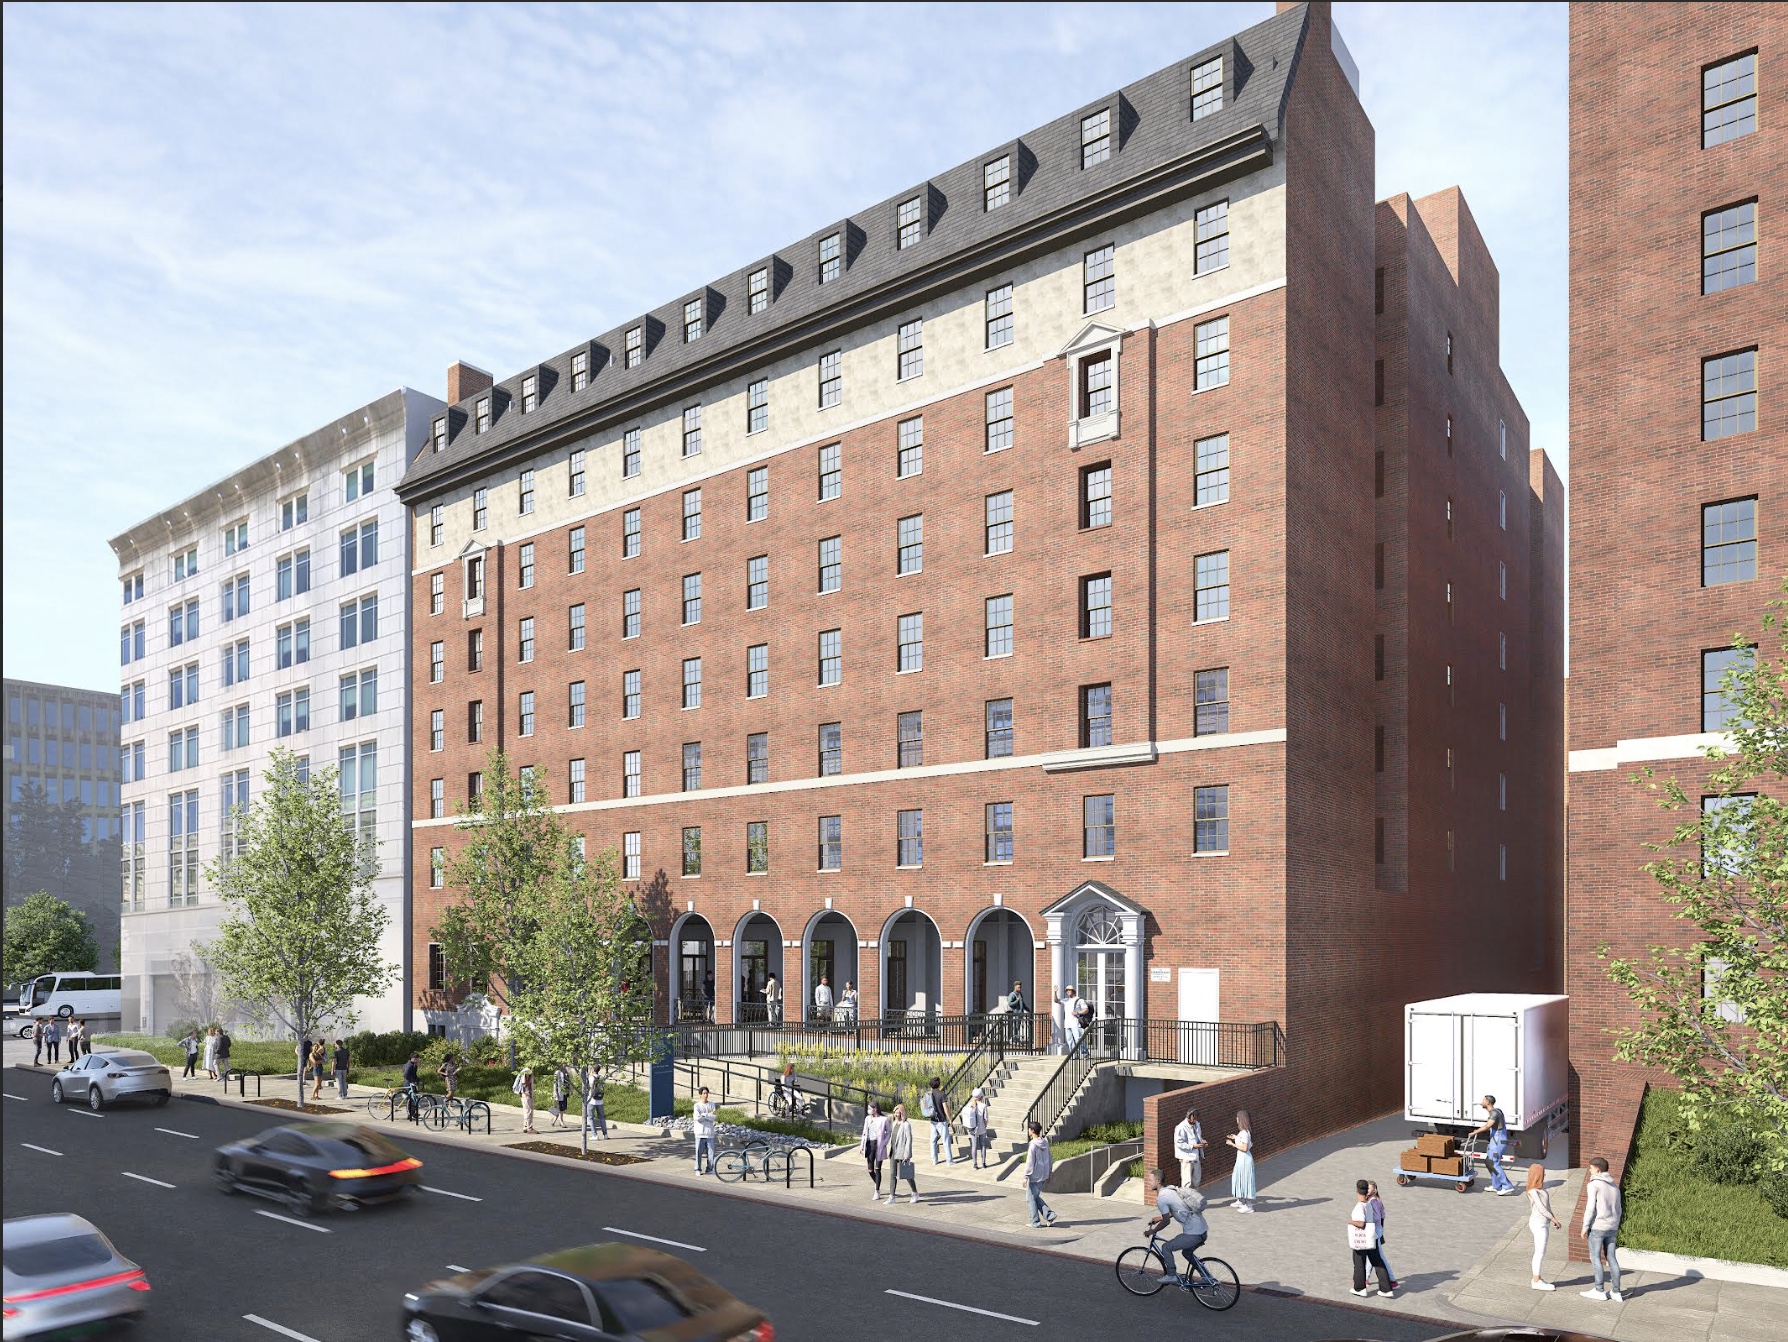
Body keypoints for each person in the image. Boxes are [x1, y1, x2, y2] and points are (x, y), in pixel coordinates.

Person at [1147, 1170, 1209, 1285]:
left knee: (1166, 1247)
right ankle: (1207, 1277)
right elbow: (1177, 1209)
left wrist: (1152, 1231)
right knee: (1187, 1253)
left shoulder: (1161, 1198)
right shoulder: (1171, 1189)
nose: (1148, 1183)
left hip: (1193, 1234)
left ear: (1158, 1181)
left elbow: (1166, 1222)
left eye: (1150, 1180)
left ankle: (1171, 1275)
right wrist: (1160, 1218)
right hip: (1203, 1230)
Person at [1581, 1155, 1624, 1302]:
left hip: (1598, 1227)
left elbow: (1590, 1208)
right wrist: (1615, 1225)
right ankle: (1616, 1291)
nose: (1589, 1170)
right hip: (1612, 1227)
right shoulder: (1614, 1187)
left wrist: (1585, 1226)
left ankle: (1599, 1290)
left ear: (1598, 1169)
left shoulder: (1594, 1185)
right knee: (1611, 1258)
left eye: (1591, 1168)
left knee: (1595, 1258)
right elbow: (1619, 1209)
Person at [1349, 1178, 1394, 1297]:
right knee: (1377, 1261)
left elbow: (1361, 1223)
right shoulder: (1369, 1204)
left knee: (1359, 1262)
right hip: (1371, 1236)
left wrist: (1351, 1222)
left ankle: (1359, 1288)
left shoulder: (1360, 1206)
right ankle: (1386, 1289)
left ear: (1357, 1191)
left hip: (1361, 1238)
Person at [1470, 1094, 1517, 1194]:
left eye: (1483, 1100)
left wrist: (1475, 1132)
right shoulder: (1495, 1111)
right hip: (1494, 1141)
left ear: (1488, 1102)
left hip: (1498, 1142)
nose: (1481, 1102)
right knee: (1489, 1162)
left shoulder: (1494, 1113)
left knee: (1494, 1163)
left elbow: (1487, 1126)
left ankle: (1507, 1186)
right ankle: (1496, 1186)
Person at [1526, 1163, 1562, 1290]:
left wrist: (1553, 1218)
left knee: (1541, 1251)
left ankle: (1538, 1278)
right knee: (1539, 1252)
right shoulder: (1533, 1192)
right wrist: (1554, 1219)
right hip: (1539, 1224)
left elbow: (1547, 1207)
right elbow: (1541, 1208)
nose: (1545, 1175)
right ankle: (1536, 1280)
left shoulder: (1540, 1190)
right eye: (1543, 1172)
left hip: (1543, 1223)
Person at [1023, 1119, 1057, 1228]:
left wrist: (1026, 1176)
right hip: (1043, 1175)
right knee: (1035, 1197)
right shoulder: (1045, 1143)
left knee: (1030, 1198)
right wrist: (1049, 1173)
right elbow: (1050, 1159)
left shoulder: (1033, 1145)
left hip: (1034, 1176)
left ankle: (1035, 1222)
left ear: (1032, 1131)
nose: (1028, 1131)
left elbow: (1030, 1162)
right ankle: (1050, 1215)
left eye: (1029, 1129)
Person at [1366, 1180, 1399, 1290]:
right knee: (1372, 1255)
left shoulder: (1373, 1202)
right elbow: (1383, 1215)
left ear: (1375, 1190)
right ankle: (1365, 1278)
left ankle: (1392, 1280)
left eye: (1369, 1188)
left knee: (1379, 1256)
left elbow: (1376, 1218)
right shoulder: (1377, 1201)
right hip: (1377, 1229)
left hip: (1374, 1230)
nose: (1367, 1190)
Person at [888, 1103, 920, 1204]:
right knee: (892, 1174)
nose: (896, 1115)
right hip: (894, 1152)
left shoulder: (906, 1125)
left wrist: (907, 1154)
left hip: (902, 1153)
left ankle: (915, 1193)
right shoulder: (893, 1123)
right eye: (895, 1113)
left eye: (898, 1113)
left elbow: (909, 1140)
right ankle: (892, 1196)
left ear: (902, 1113)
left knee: (906, 1174)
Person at [861, 1100, 891, 1201]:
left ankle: (877, 1190)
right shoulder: (867, 1119)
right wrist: (862, 1146)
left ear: (875, 1109)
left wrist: (884, 1142)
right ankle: (877, 1183)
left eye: (870, 1108)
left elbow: (888, 1132)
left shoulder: (883, 1119)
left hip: (879, 1145)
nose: (869, 1110)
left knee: (878, 1168)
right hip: (869, 1145)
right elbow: (864, 1132)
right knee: (870, 1170)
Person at [1227, 1110, 1256, 1212]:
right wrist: (1235, 1137)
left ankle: (1248, 1206)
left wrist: (1232, 1144)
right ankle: (1241, 1200)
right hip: (1241, 1159)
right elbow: (1243, 1140)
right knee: (1238, 1178)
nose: (1236, 1119)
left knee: (1245, 1180)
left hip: (1245, 1160)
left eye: (1237, 1117)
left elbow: (1244, 1148)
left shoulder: (1245, 1133)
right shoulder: (1243, 1132)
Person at [923, 1076, 954, 1164]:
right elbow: (945, 1108)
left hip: (933, 1120)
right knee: (945, 1140)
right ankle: (949, 1160)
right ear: (939, 1084)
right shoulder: (942, 1094)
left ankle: (934, 1160)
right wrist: (950, 1119)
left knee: (933, 1141)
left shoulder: (929, 1094)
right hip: (941, 1120)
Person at [1174, 1107, 1207, 1189]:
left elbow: (1198, 1137)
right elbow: (1179, 1143)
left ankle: (1195, 1199)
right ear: (1189, 1116)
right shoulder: (1181, 1127)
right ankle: (1186, 1200)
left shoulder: (1197, 1125)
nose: (1195, 1120)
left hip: (1196, 1157)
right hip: (1187, 1158)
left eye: (1196, 1118)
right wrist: (1193, 1146)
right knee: (1187, 1182)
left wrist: (1202, 1141)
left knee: (1196, 1180)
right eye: (1193, 1117)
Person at [693, 1086, 719, 1174]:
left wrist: (704, 1116)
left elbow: (713, 1117)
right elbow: (698, 1118)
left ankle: (710, 1169)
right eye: (704, 1093)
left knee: (711, 1153)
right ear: (700, 1094)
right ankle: (697, 1169)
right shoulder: (697, 1105)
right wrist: (707, 1114)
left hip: (709, 1133)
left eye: (707, 1093)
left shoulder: (712, 1104)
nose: (706, 1095)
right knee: (698, 1153)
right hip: (700, 1133)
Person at [964, 1087, 991, 1169]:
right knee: (983, 1145)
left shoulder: (969, 1105)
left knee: (974, 1146)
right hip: (981, 1127)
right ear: (981, 1097)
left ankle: (975, 1164)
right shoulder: (983, 1106)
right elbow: (985, 1118)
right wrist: (985, 1125)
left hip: (972, 1128)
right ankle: (983, 1163)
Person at [583, 1067, 608, 1139]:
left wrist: (589, 1075)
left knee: (590, 1118)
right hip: (600, 1100)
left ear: (593, 1070)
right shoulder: (601, 1078)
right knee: (602, 1118)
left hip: (591, 1100)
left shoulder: (591, 1078)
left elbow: (587, 1087)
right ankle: (605, 1134)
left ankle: (595, 1135)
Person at [1071, 990, 1095, 1058]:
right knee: (1071, 1040)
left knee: (1079, 1039)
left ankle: (1085, 1053)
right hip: (1071, 1023)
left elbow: (1086, 1010)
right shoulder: (1067, 1001)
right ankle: (1074, 1055)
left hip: (1080, 1023)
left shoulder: (1080, 1001)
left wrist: (1077, 1013)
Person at [1006, 981, 1029, 1046]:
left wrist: (1027, 1009)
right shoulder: (1012, 994)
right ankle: (1013, 1039)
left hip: (1020, 1013)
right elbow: (1010, 1004)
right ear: (1015, 987)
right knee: (1015, 1027)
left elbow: (1022, 1003)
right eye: (1018, 987)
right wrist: (1017, 1000)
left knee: (1018, 1027)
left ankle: (1016, 1039)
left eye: (1020, 987)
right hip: (1015, 1013)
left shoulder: (1020, 994)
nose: (1020, 989)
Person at [516, 1066, 537, 1134]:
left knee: (526, 1111)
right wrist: (529, 1094)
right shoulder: (527, 1074)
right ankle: (529, 1127)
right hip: (527, 1095)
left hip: (524, 1095)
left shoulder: (524, 1074)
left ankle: (525, 1126)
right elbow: (525, 1084)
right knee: (529, 1111)